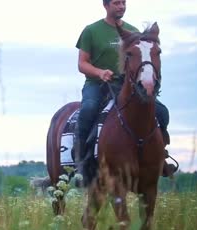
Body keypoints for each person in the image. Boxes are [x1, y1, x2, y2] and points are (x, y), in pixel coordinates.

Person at [75, 0, 177, 179]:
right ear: (106, 5)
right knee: (88, 110)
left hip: (125, 84)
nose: (121, 6)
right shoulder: (91, 31)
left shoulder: (133, 31)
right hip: (97, 84)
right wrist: (100, 72)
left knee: (161, 111)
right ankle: (82, 163)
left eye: (123, 2)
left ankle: (160, 156)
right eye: (116, 3)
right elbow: (82, 63)